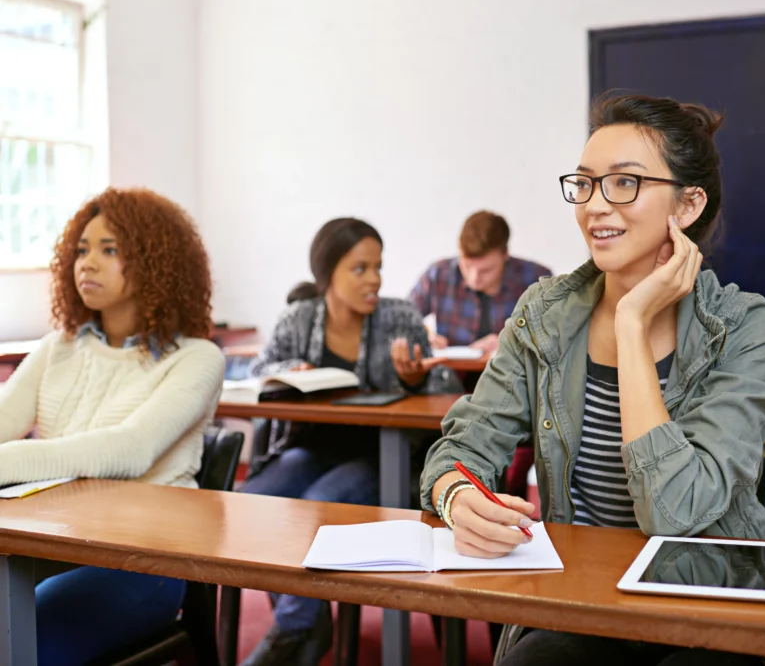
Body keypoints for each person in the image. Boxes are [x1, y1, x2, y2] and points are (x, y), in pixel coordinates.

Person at [419, 94, 765, 666]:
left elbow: (676, 513)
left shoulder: (746, 329)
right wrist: (455, 495)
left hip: (716, 600)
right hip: (585, 600)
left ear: (688, 204)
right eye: (586, 184)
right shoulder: (545, 314)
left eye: (624, 184)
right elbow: (461, 448)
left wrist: (632, 323)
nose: (595, 205)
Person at [0, 188, 225, 666]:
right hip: (46, 543)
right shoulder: (57, 346)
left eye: (109, 250)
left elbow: (131, 449)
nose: (87, 263)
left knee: (23, 645)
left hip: (143, 561)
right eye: (81, 250)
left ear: (154, 262)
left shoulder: (198, 359)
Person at [241, 217, 461, 666]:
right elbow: (257, 372)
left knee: (320, 504)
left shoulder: (399, 317)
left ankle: (291, 631)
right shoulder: (298, 318)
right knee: (252, 502)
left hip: (384, 457)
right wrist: (287, 375)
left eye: (378, 267)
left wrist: (416, 379)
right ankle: (311, 613)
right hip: (310, 449)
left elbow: (449, 385)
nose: (375, 279)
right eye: (360, 269)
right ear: (327, 274)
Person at [408, 210, 551, 355]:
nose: (474, 278)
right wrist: (424, 336)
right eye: (466, 266)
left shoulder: (537, 280)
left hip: (515, 376)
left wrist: (513, 342)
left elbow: (558, 335)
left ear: (505, 254)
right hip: (450, 375)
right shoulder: (438, 274)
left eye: (486, 270)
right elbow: (401, 320)